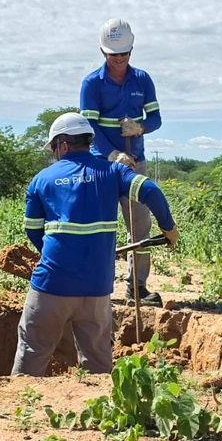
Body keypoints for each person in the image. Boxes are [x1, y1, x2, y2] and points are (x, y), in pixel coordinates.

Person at [11, 112, 179, 376]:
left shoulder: (42, 179)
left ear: (62, 145)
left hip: (52, 286)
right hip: (97, 288)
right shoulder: (113, 171)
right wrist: (168, 228)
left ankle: (21, 413)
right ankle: (99, 414)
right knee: (98, 361)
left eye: (54, 147)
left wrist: (58, 256)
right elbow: (151, 191)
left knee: (32, 351)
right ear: (88, 141)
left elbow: (33, 231)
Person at [80, 18, 165, 306]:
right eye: (114, 54)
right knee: (97, 226)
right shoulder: (92, 84)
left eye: (124, 53)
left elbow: (156, 118)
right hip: (102, 166)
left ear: (131, 49)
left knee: (139, 228)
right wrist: (112, 154)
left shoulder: (142, 80)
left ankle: (137, 288)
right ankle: (93, 287)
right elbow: (88, 127)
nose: (119, 59)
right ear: (103, 52)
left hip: (134, 165)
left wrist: (140, 128)